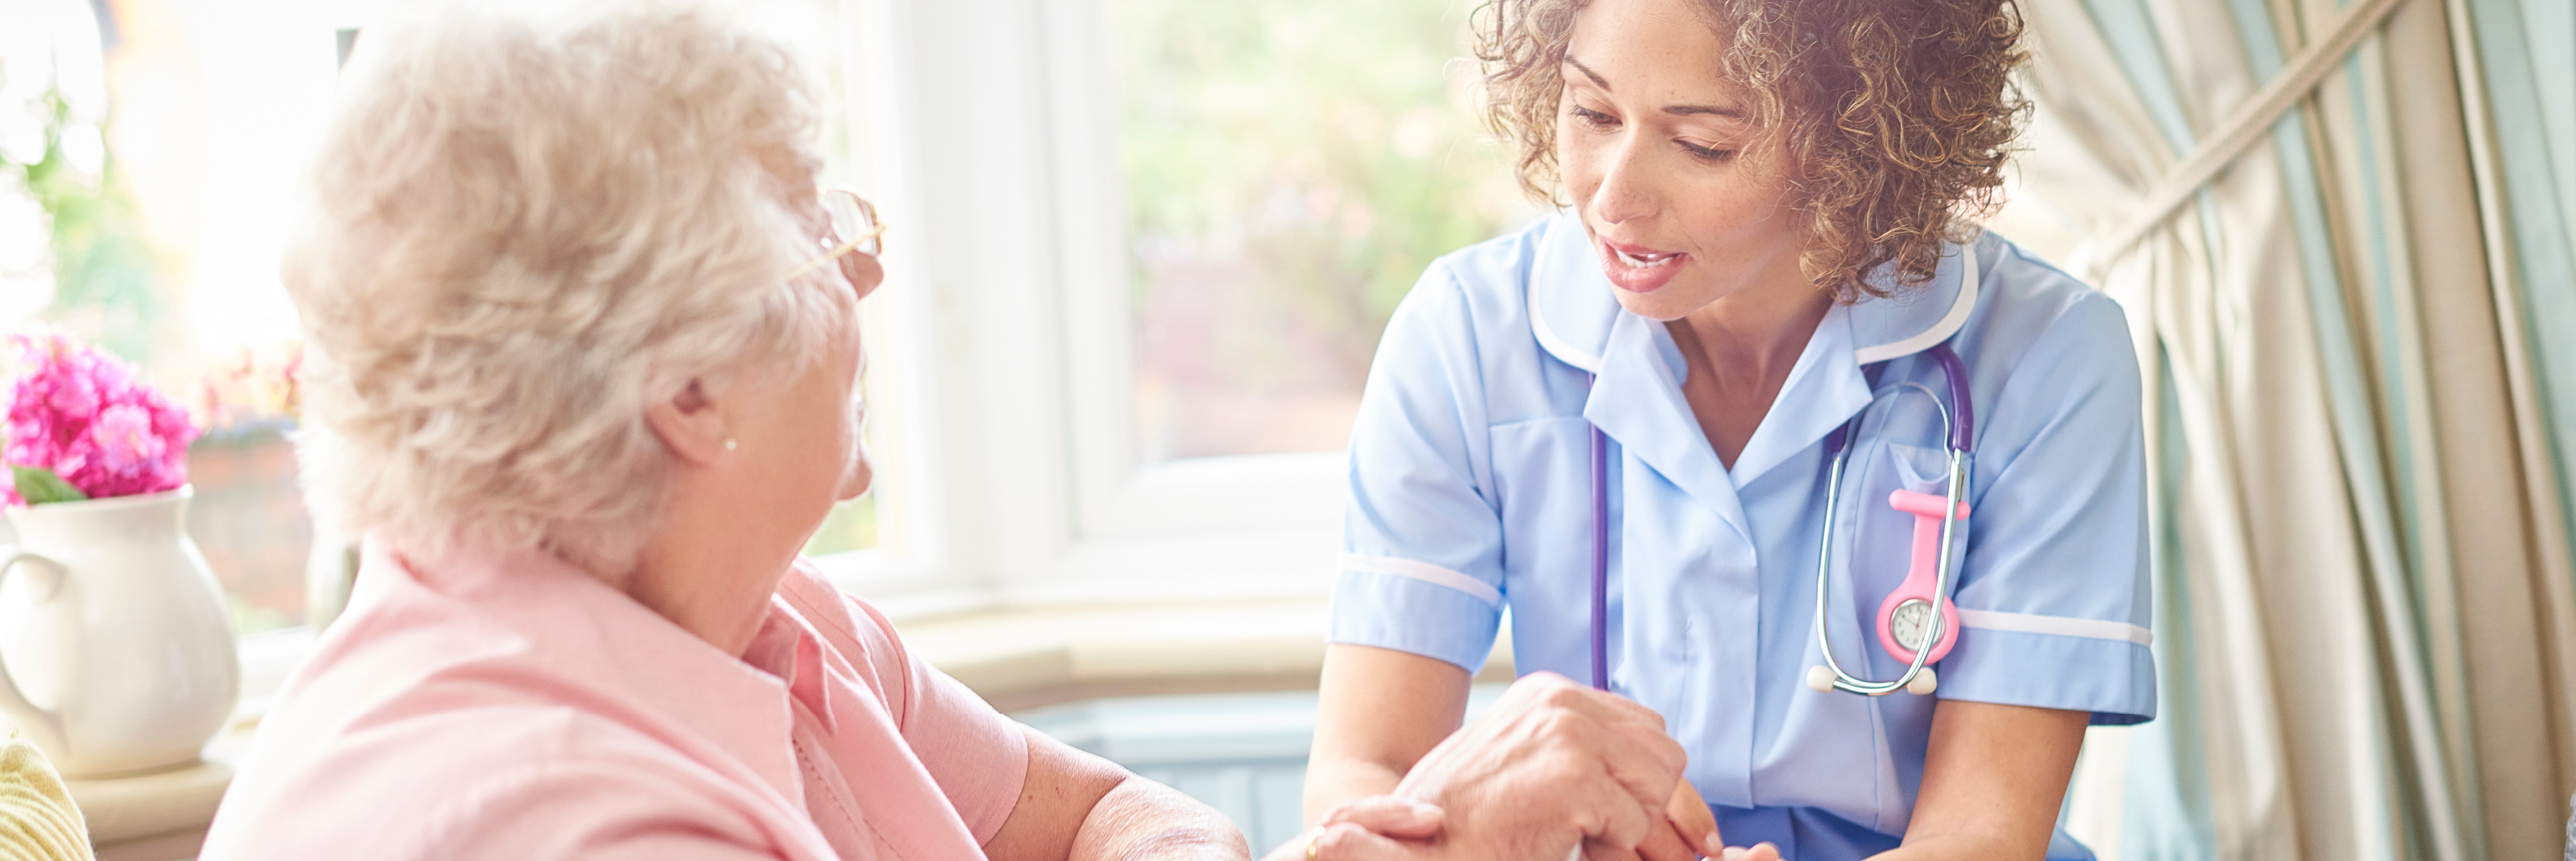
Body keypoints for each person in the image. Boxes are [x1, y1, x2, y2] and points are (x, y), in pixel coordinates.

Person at [195, 3, 1695, 859]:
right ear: (690, 391)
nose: (869, 261)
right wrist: (1445, 833)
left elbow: (1107, 812)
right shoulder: (547, 811)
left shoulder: (779, 628)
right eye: (810, 219)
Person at [1304, 0, 2154, 859]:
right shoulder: (1464, 333)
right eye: (1591, 112)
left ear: (1856, 142)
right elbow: (1369, 772)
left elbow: (1980, 833)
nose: (1614, 194)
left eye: (1702, 144)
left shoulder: (2048, 354)